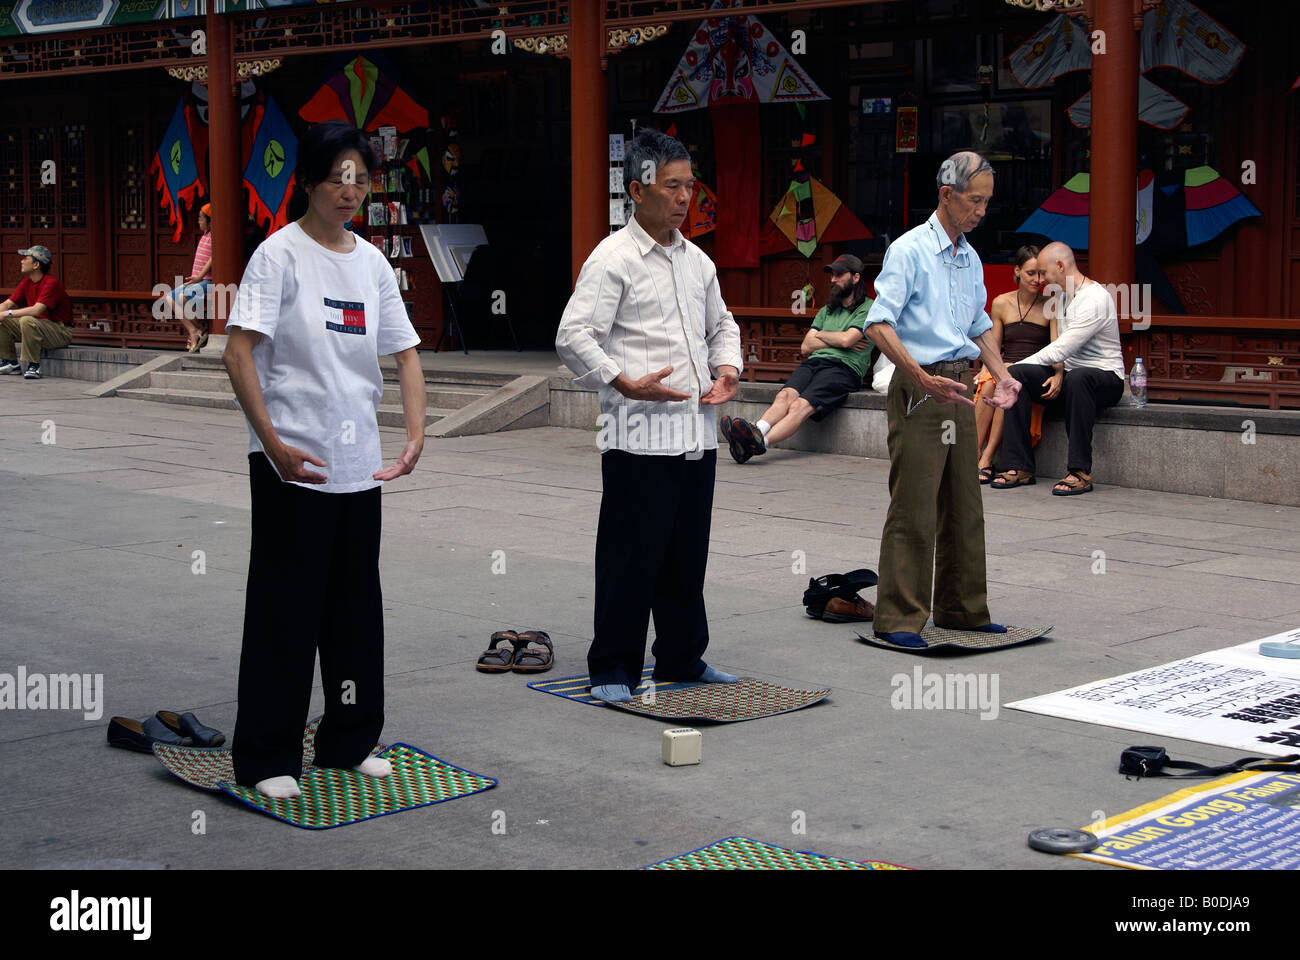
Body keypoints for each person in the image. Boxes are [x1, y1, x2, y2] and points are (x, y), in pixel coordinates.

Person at [222, 120, 427, 799]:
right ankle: (266, 754)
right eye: (337, 177)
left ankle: (347, 740)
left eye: (360, 179)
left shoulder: (370, 263)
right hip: (292, 462)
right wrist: (271, 443)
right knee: (286, 609)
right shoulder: (277, 257)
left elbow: (404, 353)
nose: (350, 191)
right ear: (307, 182)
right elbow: (239, 351)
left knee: (352, 610)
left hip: (356, 464)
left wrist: (416, 432)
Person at [555, 128, 744, 704]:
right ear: (636, 190)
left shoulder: (698, 262)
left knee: (687, 557)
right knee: (631, 558)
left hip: (694, 434)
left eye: (690, 186)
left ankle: (682, 658)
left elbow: (723, 325)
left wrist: (728, 369)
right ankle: (612, 667)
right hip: (637, 437)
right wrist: (621, 380)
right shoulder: (613, 259)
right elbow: (573, 335)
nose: (685, 198)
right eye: (672, 187)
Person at [859, 151, 1021, 647]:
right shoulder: (909, 251)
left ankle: (962, 609)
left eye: (988, 203)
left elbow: (977, 327)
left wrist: (1003, 375)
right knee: (915, 504)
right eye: (975, 200)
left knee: (965, 504)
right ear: (946, 195)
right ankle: (899, 618)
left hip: (958, 383)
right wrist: (917, 376)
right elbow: (877, 323)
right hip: (920, 386)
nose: (981, 211)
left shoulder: (969, 256)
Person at [991, 241, 1125, 496]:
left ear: (1060, 266)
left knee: (1079, 377)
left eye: (1044, 272)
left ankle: (1079, 472)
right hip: (1071, 378)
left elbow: (1062, 349)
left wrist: (1013, 363)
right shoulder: (1061, 297)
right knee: (1017, 376)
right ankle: (1019, 467)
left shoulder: (1095, 298)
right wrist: (1052, 373)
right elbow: (1058, 350)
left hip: (1105, 379)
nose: (1041, 279)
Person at [721, 254, 874, 463]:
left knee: (799, 405)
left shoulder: (868, 308)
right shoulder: (826, 310)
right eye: (832, 275)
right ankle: (755, 432)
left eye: (839, 275)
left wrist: (823, 336)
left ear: (856, 278)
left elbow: (847, 341)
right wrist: (837, 338)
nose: (833, 279)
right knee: (784, 397)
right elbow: (805, 346)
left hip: (844, 368)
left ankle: (758, 444)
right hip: (814, 362)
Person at [974, 245, 1060, 482]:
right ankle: (974, 454)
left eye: (1042, 274)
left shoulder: (1050, 304)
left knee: (1007, 380)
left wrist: (1059, 373)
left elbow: (1056, 346)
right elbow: (994, 344)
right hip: (1004, 366)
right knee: (992, 381)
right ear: (1017, 271)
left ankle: (987, 457)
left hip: (1034, 371)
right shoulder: (1002, 303)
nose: (1038, 279)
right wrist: (984, 369)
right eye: (1031, 273)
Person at [0, 245, 74, 380]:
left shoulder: (51, 283)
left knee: (26, 319)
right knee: (4, 320)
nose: (21, 261)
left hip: (60, 332)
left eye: (25, 258)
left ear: (36, 264)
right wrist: (2, 313)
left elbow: (36, 310)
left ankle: (34, 365)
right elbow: (7, 304)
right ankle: (10, 363)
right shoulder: (27, 282)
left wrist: (7, 313)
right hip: (40, 327)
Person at [170, 203, 213, 353]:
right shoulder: (205, 236)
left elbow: (212, 259)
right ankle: (194, 330)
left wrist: (199, 277)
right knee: (170, 298)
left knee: (182, 298)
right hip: (198, 281)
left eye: (201, 218)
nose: (199, 221)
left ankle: (199, 329)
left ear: (210, 220)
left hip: (207, 281)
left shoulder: (216, 236)